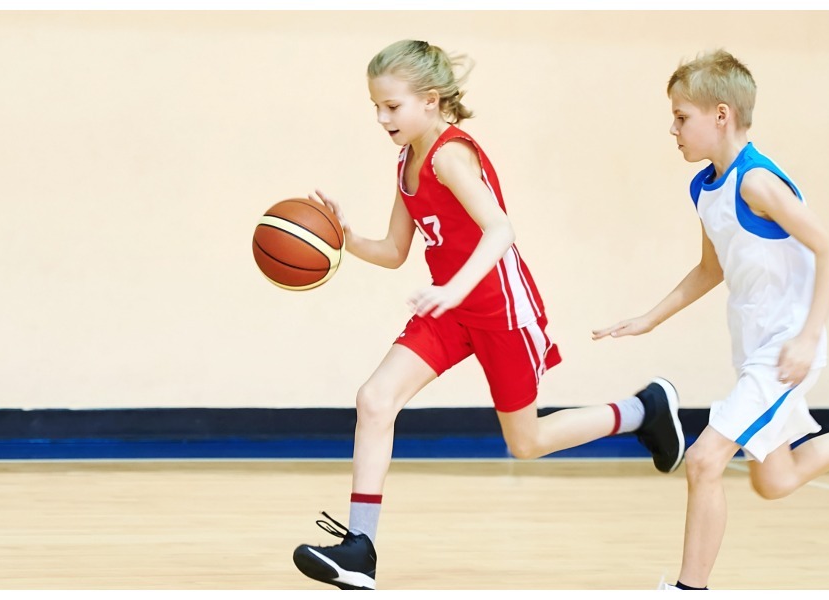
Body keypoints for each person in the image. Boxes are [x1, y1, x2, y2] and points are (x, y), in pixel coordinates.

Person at [291, 39, 685, 591]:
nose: (382, 118)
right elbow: (394, 252)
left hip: (501, 309)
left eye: (392, 106)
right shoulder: (406, 162)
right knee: (375, 399)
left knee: (525, 443)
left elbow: (501, 230)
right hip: (449, 309)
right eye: (375, 107)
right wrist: (344, 236)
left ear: (430, 101)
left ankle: (642, 411)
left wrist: (453, 289)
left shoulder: (452, 156)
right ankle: (361, 549)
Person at [591, 49, 829, 590]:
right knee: (776, 478)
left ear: (721, 115)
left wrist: (808, 336)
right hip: (755, 352)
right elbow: (711, 268)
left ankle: (688, 589)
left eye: (682, 117)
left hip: (785, 352)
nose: (673, 128)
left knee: (705, 459)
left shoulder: (756, 182)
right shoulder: (705, 187)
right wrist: (649, 318)